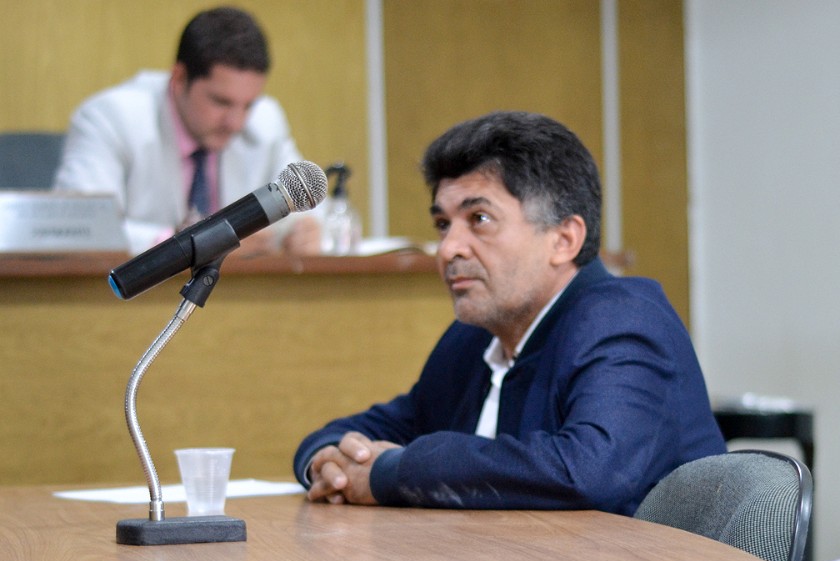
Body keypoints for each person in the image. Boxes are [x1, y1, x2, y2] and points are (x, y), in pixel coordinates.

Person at [293, 111, 725, 516]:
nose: (448, 249)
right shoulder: (474, 339)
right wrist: (325, 460)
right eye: (443, 224)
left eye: (479, 219)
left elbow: (588, 471)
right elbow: (381, 427)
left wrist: (395, 473)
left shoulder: (623, 321)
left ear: (564, 240)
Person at [54, 6, 320, 256]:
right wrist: (192, 244)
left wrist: (303, 230)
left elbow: (311, 208)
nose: (236, 123)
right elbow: (80, 228)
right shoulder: (110, 119)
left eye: (248, 105)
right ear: (179, 78)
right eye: (221, 102)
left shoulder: (266, 120)